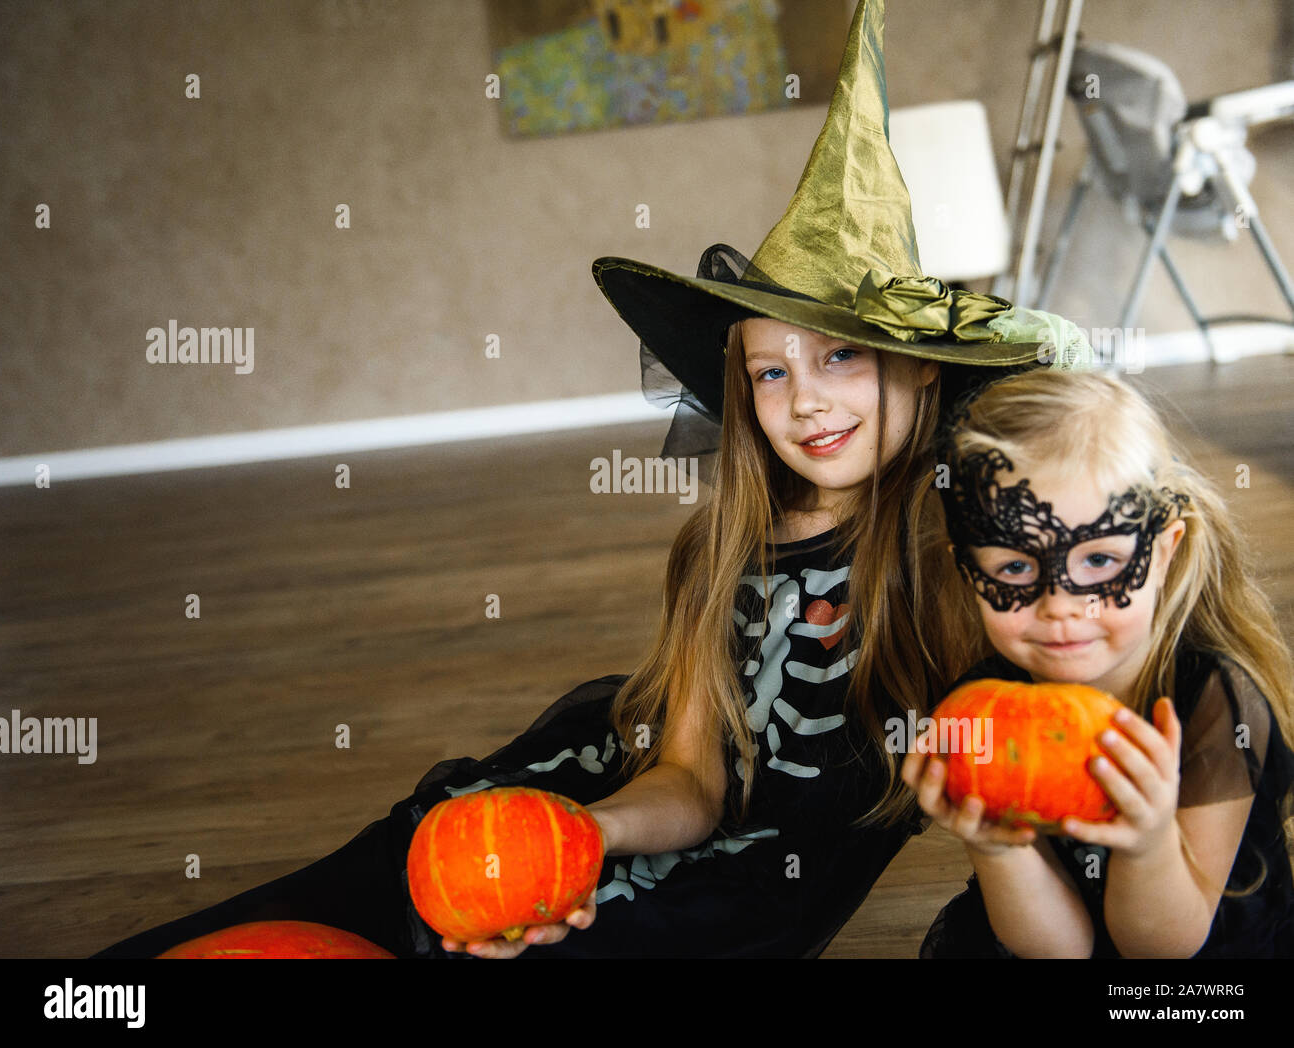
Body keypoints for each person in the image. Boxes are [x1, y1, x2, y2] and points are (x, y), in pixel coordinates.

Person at [92, 0, 1089, 960]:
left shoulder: (967, 566)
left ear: (920, 366)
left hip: (737, 909)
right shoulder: (722, 548)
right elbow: (691, 777)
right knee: (372, 885)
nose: (805, 403)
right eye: (770, 372)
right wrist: (583, 834)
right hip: (619, 793)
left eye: (839, 358)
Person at [903, 368, 1294, 958]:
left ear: (1161, 554)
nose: (1060, 606)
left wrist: (1147, 844)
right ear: (968, 570)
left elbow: (1161, 955)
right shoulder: (982, 710)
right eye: (1014, 568)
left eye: (1100, 560)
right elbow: (1057, 952)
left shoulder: (1217, 705)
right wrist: (996, 848)